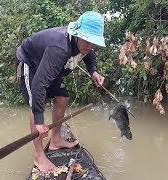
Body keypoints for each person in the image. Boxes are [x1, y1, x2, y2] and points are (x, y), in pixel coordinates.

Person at [15, 11, 106, 173]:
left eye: (94, 43)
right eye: (87, 41)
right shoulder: (59, 48)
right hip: (31, 62)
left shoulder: (85, 45)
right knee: (37, 104)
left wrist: (93, 71)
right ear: (77, 34)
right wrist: (39, 121)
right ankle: (38, 155)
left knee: (63, 97)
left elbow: (88, 54)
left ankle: (56, 140)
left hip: (49, 64)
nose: (89, 46)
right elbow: (39, 84)